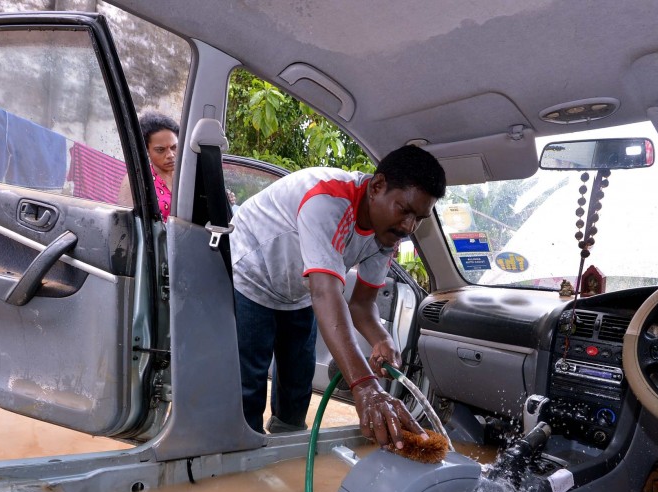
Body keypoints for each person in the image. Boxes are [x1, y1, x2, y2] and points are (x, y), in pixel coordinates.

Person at [230, 144, 446, 450]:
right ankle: (242, 455)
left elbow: (361, 304)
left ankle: (286, 454)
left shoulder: (387, 233)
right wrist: (365, 387)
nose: (409, 227)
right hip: (251, 277)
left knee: (297, 384)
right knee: (247, 384)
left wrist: (381, 338)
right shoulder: (327, 199)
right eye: (405, 210)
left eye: (419, 218)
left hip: (298, 292)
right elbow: (325, 291)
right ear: (378, 187)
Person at [119, 112, 179, 220]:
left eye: (174, 147)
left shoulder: (188, 174)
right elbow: (127, 224)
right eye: (160, 150)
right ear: (146, 150)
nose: (170, 155)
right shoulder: (136, 179)